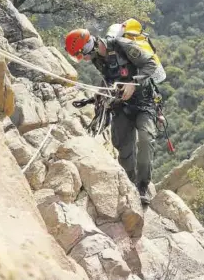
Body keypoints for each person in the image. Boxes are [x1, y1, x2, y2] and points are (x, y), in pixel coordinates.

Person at [65, 21, 164, 204]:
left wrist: (132, 83)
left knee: (145, 140)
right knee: (123, 147)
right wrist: (99, 96)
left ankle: (142, 187)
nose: (85, 59)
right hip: (120, 104)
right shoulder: (96, 58)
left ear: (90, 45)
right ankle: (130, 183)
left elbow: (149, 64)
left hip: (145, 102)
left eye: (83, 55)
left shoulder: (123, 46)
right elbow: (108, 78)